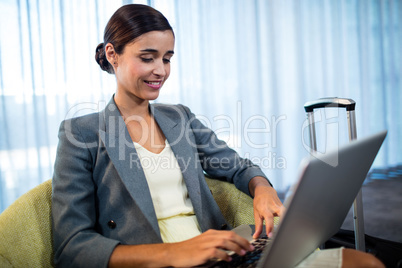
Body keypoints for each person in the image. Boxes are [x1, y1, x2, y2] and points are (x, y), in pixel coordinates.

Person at [52, 4, 384, 268]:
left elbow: (238, 166)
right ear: (113, 55)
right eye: (147, 58)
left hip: (223, 253)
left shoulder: (178, 116)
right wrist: (174, 253)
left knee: (364, 262)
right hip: (162, 261)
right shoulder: (80, 133)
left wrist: (262, 188)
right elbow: (71, 246)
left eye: (167, 58)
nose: (161, 71)